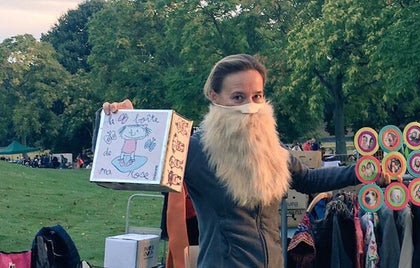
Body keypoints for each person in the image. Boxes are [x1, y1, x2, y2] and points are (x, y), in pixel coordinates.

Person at [103, 54, 388, 267]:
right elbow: (132, 168)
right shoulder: (195, 149)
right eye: (238, 96)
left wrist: (366, 170)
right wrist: (127, 119)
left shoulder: (270, 148)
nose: (249, 105)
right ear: (215, 96)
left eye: (257, 95)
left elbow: (309, 180)